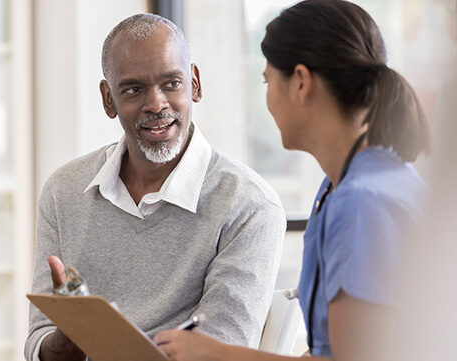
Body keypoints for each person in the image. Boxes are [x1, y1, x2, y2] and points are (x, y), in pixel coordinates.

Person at [154, 1, 431, 360]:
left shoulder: (362, 203)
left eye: (268, 80)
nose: (266, 97)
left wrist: (216, 355)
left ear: (301, 82)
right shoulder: (346, 186)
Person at [24, 14, 286, 361]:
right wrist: (63, 342)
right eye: (133, 89)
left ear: (194, 83)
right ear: (108, 99)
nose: (156, 104)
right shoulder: (65, 190)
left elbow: (224, 348)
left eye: (171, 83)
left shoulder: (249, 205)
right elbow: (38, 340)